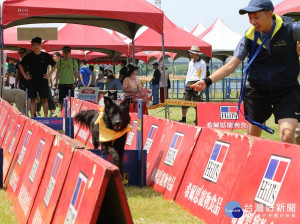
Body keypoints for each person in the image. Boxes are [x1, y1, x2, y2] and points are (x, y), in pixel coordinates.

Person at [190, 0, 300, 144]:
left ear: (269, 14)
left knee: (286, 135)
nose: (253, 21)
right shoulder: (248, 38)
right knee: (251, 140)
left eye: (256, 17)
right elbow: (230, 66)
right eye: (250, 18)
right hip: (257, 92)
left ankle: (290, 166)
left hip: (286, 91)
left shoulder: (292, 29)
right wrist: (206, 81)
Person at [19, 37, 57, 117]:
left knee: (44, 99)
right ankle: (33, 117)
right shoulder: (29, 56)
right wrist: (24, 76)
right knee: (33, 100)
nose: (36, 46)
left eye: (37, 44)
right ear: (32, 46)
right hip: (32, 80)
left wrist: (49, 74)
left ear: (41, 45)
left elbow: (55, 64)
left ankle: (46, 117)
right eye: (34, 45)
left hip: (43, 80)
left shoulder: (46, 56)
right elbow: (20, 65)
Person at [179, 46, 206, 123]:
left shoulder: (202, 63)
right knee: (184, 101)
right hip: (189, 82)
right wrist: (186, 83)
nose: (190, 54)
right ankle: (183, 118)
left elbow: (203, 75)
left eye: (191, 53)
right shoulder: (190, 62)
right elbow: (188, 73)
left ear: (195, 54)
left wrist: (200, 84)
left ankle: (197, 119)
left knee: (197, 102)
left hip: (197, 82)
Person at [55, 46, 79, 111]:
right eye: (65, 51)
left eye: (68, 51)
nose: (67, 52)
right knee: (61, 101)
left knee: (70, 101)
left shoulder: (74, 61)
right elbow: (57, 72)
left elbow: (76, 73)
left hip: (70, 84)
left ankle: (69, 113)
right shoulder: (59, 62)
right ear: (63, 52)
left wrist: (75, 82)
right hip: (62, 83)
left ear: (70, 52)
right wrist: (56, 82)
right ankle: (62, 113)